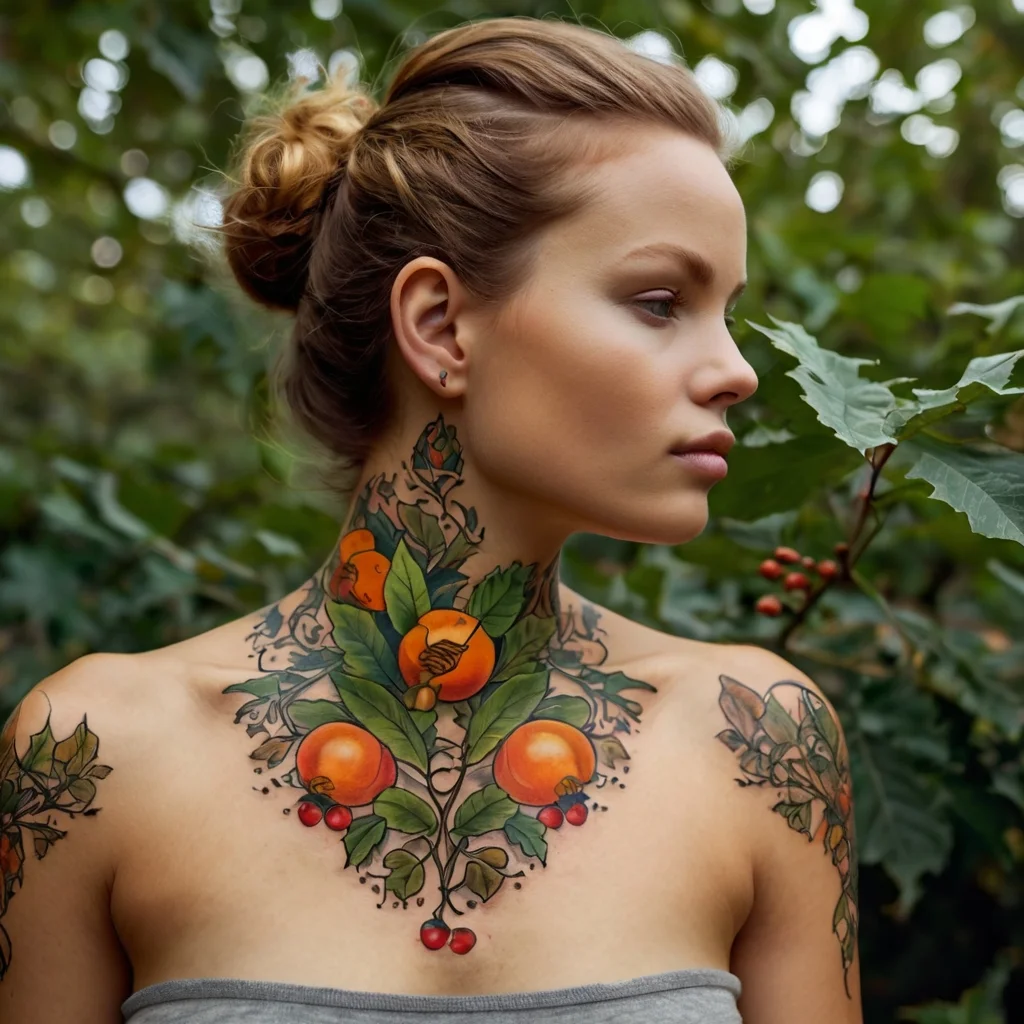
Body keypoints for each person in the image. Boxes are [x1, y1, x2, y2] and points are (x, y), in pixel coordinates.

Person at [0, 15, 862, 1024]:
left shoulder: (758, 745)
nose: (737, 370)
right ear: (441, 325)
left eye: (727, 311)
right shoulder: (91, 757)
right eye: (661, 299)